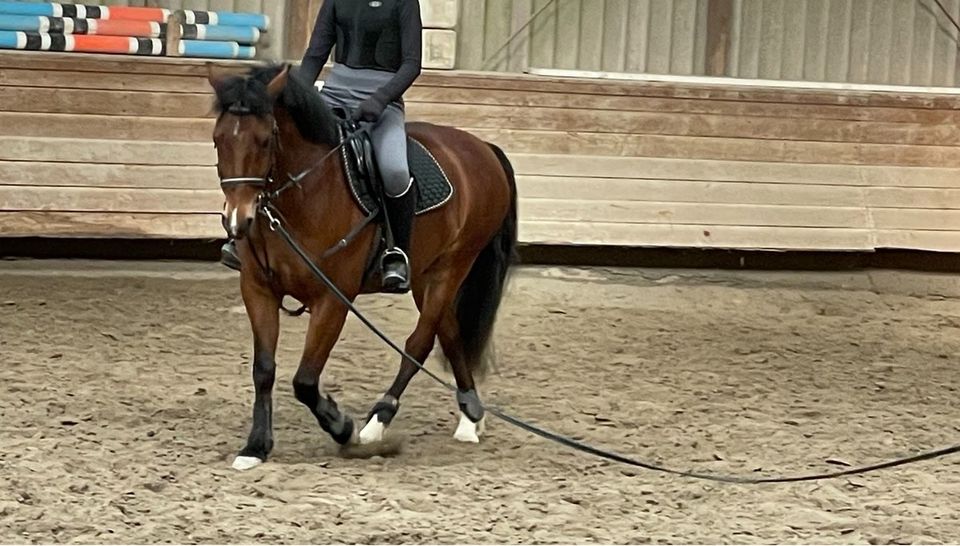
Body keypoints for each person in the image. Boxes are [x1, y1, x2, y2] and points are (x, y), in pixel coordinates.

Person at [221, 0, 423, 293]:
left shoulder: (404, 3)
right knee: (282, 148)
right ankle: (247, 239)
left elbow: (411, 65)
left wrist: (381, 99)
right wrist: (296, 99)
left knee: (394, 170)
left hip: (382, 99)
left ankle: (397, 253)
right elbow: (316, 53)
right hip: (334, 91)